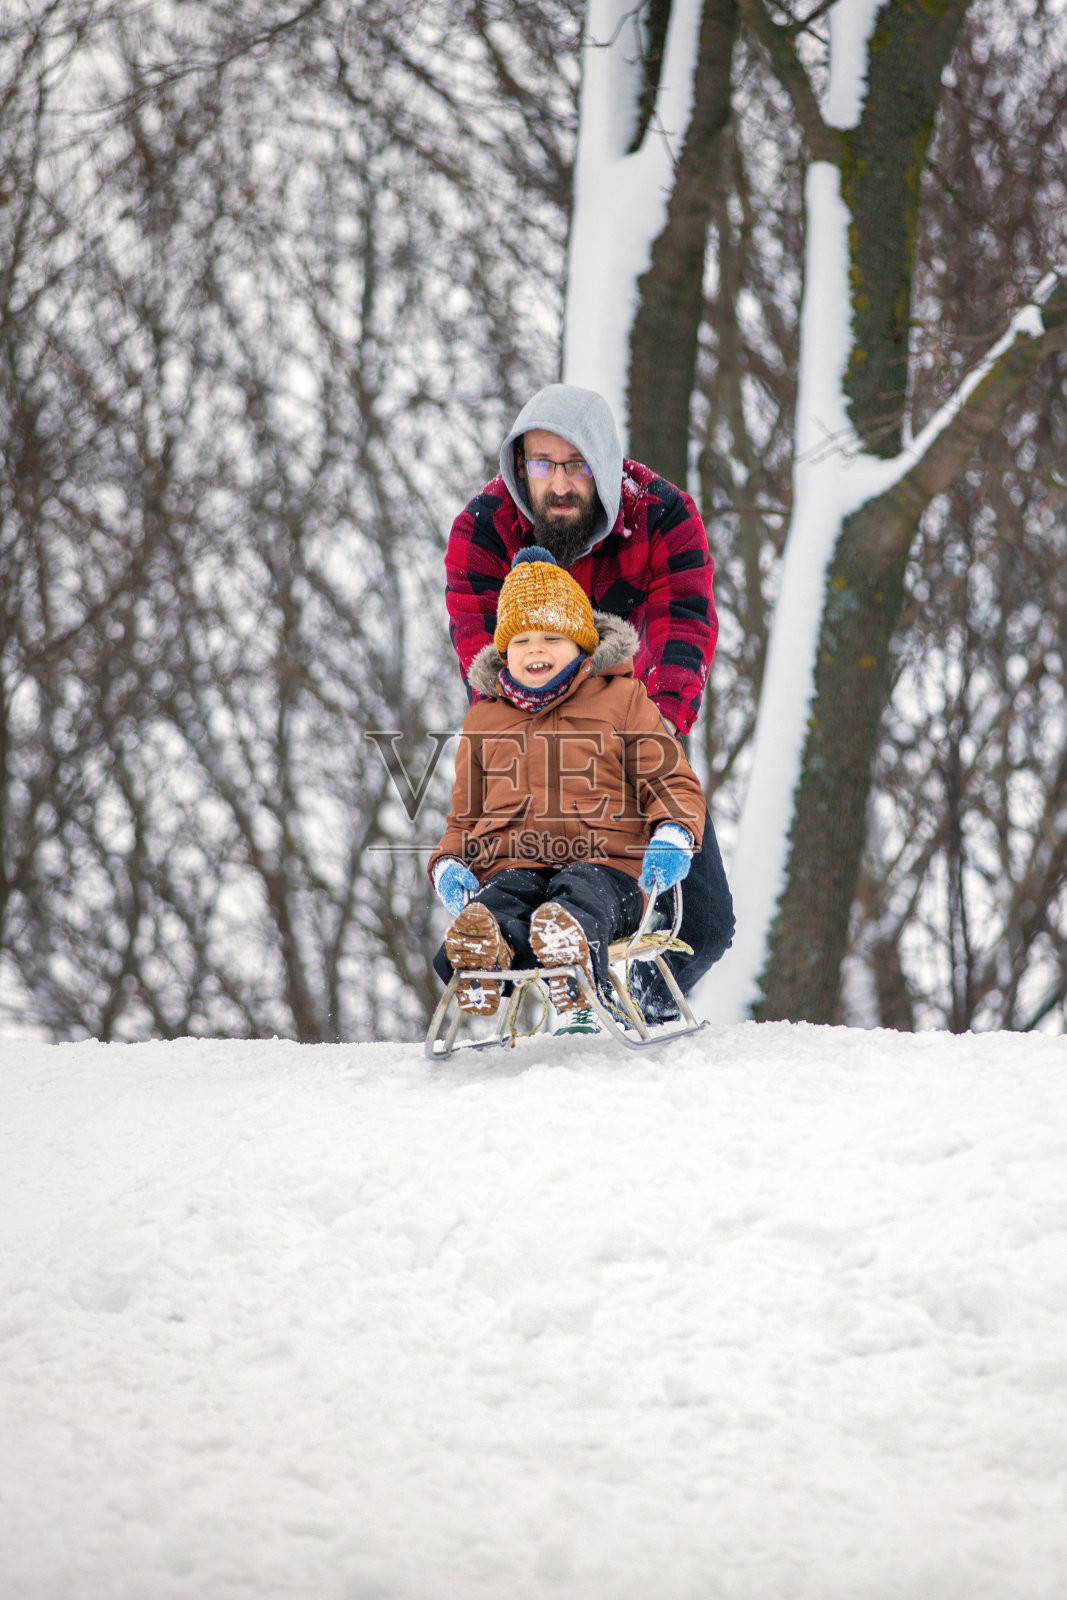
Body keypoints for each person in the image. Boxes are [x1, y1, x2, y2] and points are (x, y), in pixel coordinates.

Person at [444, 382, 733, 1019]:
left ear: (602, 463)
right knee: (520, 898)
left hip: (637, 739)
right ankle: (557, 995)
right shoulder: (484, 530)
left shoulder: (662, 516)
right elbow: (482, 659)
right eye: (543, 465)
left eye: (576, 465)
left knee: (706, 925)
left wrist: (645, 738)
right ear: (520, 466)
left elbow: (685, 630)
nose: (560, 484)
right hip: (532, 756)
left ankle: (637, 1010)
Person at [429, 548, 707, 1033]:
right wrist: (448, 862)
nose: (535, 650)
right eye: (521, 640)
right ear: (503, 651)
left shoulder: (621, 699)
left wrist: (673, 833)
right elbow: (464, 816)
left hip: (609, 868)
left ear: (581, 644)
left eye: (551, 637)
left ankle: (571, 953)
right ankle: (482, 951)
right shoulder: (485, 719)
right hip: (513, 863)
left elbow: (669, 778)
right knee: (499, 900)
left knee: (581, 892)